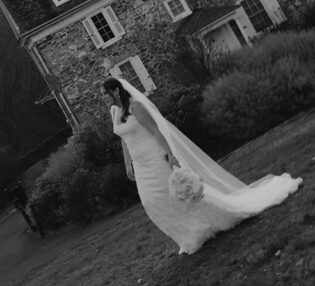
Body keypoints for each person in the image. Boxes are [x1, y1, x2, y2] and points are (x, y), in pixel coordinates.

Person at [101, 77, 302, 255]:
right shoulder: (114, 111)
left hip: (155, 157)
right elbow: (123, 137)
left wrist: (170, 156)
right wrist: (128, 163)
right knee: (150, 201)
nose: (103, 98)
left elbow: (154, 131)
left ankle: (205, 226)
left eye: (104, 94)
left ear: (116, 91)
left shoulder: (136, 106)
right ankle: (188, 234)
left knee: (176, 195)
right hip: (140, 163)